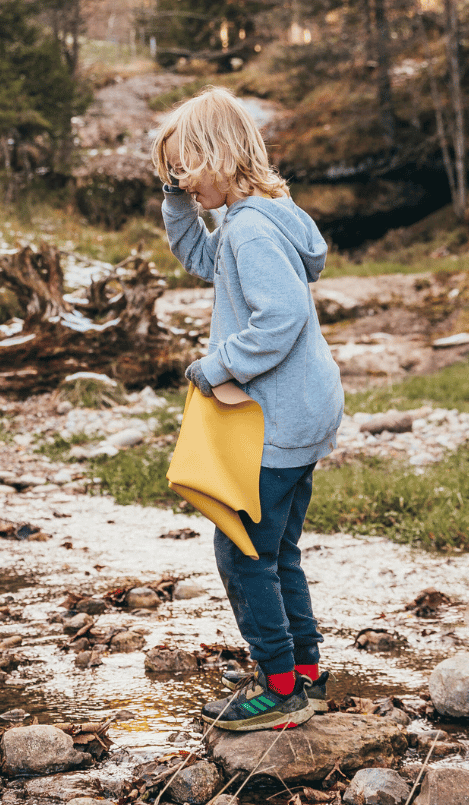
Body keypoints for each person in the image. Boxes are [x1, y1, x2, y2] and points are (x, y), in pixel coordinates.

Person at [151, 86, 344, 732]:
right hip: (303, 412)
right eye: (172, 172)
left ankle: (280, 687)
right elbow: (205, 259)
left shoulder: (252, 230)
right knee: (278, 548)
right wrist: (178, 202)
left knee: (241, 551)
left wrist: (218, 366)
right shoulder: (255, 217)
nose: (181, 179)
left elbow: (281, 317)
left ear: (221, 153)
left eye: (186, 167)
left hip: (282, 418)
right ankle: (307, 675)